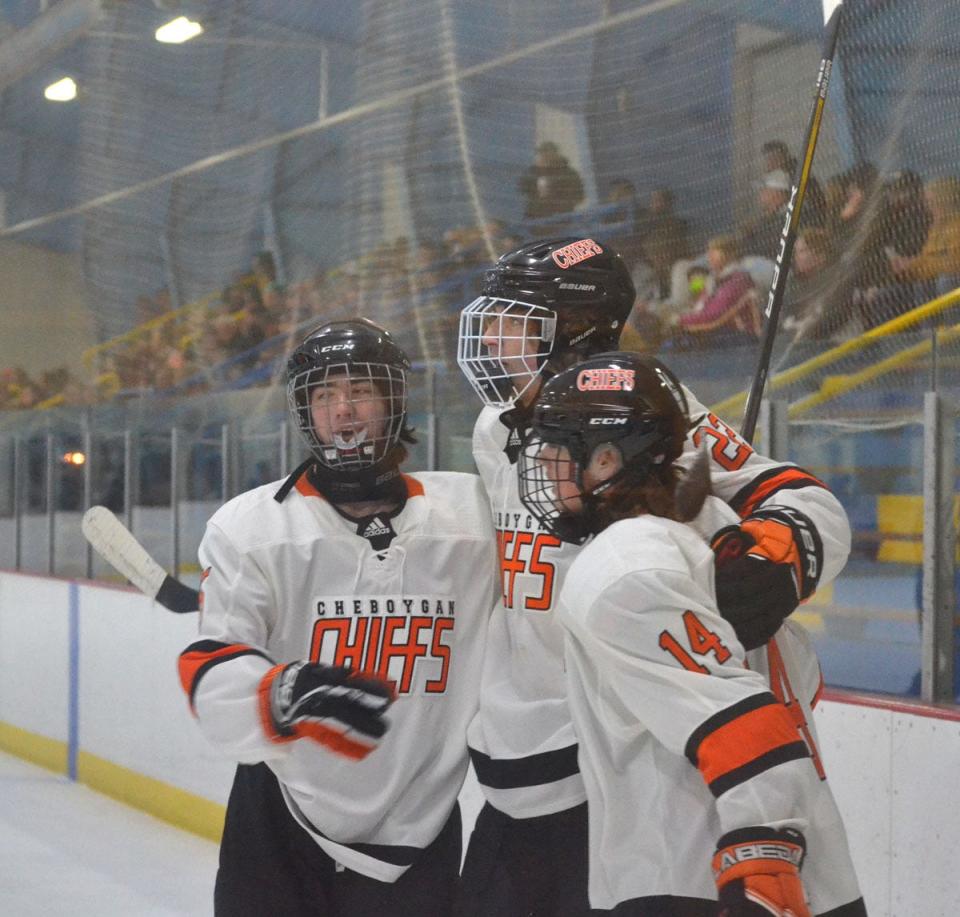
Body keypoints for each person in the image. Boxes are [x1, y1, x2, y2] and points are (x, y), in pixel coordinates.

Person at [456, 237, 859, 916]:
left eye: (515, 323)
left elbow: (803, 500)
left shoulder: (652, 417)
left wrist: (775, 558)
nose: (493, 342)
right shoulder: (493, 426)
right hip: (510, 774)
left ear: (575, 334)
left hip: (606, 769)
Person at [517, 351, 865, 915]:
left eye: (558, 450)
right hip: (827, 870)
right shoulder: (727, 538)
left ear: (606, 460)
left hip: (689, 874)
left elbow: (745, 724)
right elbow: (802, 679)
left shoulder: (623, 566)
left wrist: (761, 866)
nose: (546, 469)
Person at [178, 318, 497, 917]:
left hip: (419, 817)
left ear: (394, 403)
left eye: (360, 391)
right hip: (279, 816)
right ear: (305, 413)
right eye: (324, 396)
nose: (343, 412)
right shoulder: (251, 528)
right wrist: (273, 694)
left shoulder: (474, 519)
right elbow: (214, 669)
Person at [518, 141, 586, 220]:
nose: (544, 156)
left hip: (562, 219)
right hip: (535, 218)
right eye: (541, 153)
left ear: (556, 154)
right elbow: (522, 188)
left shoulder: (569, 173)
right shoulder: (534, 172)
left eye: (547, 152)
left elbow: (579, 196)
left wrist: (562, 205)